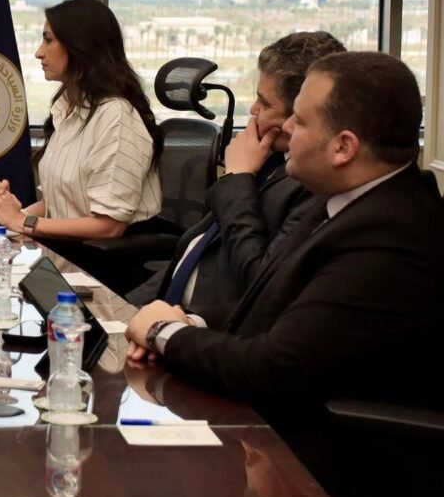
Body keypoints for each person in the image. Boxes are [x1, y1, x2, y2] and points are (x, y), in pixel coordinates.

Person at [124, 52, 442, 497]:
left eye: (302, 120)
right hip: (278, 439)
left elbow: (269, 367)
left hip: (341, 474)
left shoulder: (390, 235)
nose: (286, 127)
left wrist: (162, 332)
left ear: (343, 147)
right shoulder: (342, 203)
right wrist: (188, 319)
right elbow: (272, 303)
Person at [124, 32, 346, 328]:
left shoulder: (313, 184)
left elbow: (260, 282)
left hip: (210, 331)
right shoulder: (267, 160)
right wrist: (125, 309)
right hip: (167, 316)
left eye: (265, 103)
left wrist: (238, 178)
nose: (253, 110)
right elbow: (195, 250)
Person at [0, 0, 163, 240]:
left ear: (79, 46)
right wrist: (7, 215)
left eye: (48, 40)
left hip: (96, 262)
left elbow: (109, 226)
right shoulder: (67, 109)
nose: (38, 52)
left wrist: (22, 222)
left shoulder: (116, 116)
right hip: (61, 254)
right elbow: (60, 204)